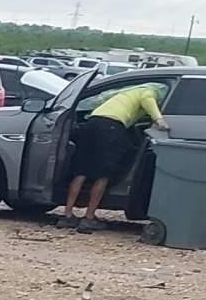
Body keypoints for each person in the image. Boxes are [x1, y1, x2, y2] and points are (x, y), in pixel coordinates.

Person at [62, 80, 166, 230]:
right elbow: (147, 99)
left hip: (92, 123)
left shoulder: (125, 93)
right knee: (103, 174)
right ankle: (89, 217)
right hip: (111, 127)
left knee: (81, 171)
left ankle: (67, 216)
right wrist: (159, 119)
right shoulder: (149, 91)